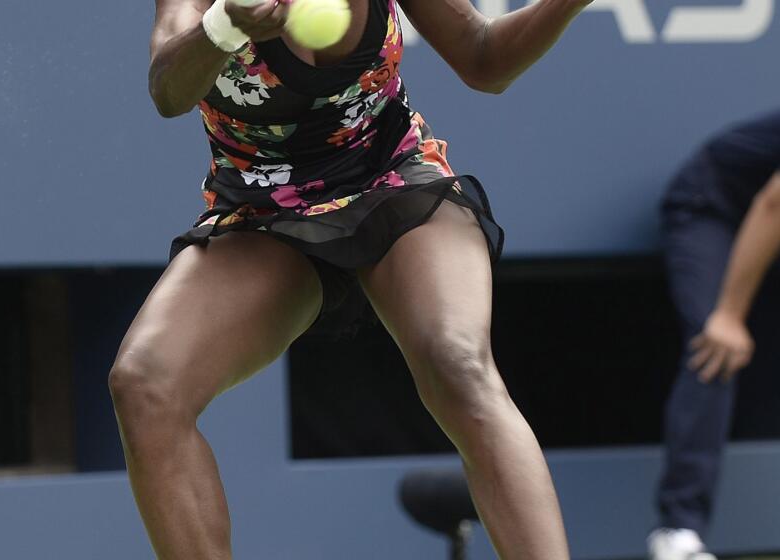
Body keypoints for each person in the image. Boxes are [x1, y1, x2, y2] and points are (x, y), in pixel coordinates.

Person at [108, 0, 590, 558]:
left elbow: (483, 58)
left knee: (456, 362)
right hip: (263, 211)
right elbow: (169, 91)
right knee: (145, 385)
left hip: (393, 178)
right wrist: (226, 25)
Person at [648, 110, 780, 560]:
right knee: (715, 343)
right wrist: (729, 313)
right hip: (713, 208)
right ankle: (677, 531)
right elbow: (773, 204)